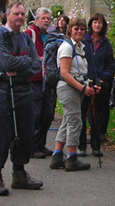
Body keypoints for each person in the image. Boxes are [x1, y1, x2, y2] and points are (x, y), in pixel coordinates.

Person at [0, 1, 43, 196]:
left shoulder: (25, 38)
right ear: (8, 15)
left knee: (24, 134)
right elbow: (5, 61)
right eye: (16, 14)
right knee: (1, 136)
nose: (20, 17)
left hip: (24, 92)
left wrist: (19, 66)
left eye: (22, 14)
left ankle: (19, 173)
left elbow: (36, 66)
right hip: (4, 93)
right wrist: (25, 63)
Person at [50, 18, 99, 171]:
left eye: (82, 29)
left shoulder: (80, 47)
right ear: (70, 30)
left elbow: (79, 73)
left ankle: (57, 156)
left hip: (75, 88)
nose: (79, 31)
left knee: (68, 120)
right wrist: (83, 89)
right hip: (68, 88)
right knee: (75, 121)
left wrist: (89, 86)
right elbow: (65, 73)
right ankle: (72, 158)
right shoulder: (67, 47)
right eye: (76, 28)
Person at [78, 12, 115, 157]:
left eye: (100, 22)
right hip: (84, 82)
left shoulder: (106, 43)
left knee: (96, 116)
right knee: (82, 114)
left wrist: (103, 79)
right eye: (95, 22)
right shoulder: (83, 41)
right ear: (91, 24)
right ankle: (81, 146)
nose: (97, 25)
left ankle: (95, 145)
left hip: (100, 84)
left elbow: (110, 65)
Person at [25, 7, 53, 158]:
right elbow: (23, 52)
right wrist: (37, 59)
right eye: (43, 18)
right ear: (36, 20)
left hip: (46, 79)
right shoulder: (30, 34)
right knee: (35, 114)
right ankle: (32, 147)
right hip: (33, 79)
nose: (46, 21)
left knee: (47, 114)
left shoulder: (48, 36)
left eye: (48, 18)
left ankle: (40, 144)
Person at [51, 14, 70, 119]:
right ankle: (51, 112)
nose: (61, 22)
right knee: (53, 90)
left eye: (64, 20)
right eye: (60, 20)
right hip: (55, 64)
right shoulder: (53, 34)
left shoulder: (69, 35)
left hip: (65, 63)